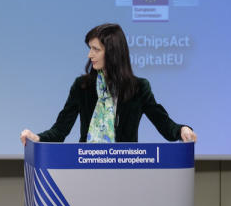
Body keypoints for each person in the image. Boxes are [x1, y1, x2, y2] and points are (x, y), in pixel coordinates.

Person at [20, 23, 196, 145]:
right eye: (90, 48)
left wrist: (181, 130)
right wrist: (37, 138)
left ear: (113, 53)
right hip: (85, 168)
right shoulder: (81, 86)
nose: (90, 55)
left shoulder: (138, 88)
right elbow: (60, 130)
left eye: (96, 49)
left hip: (124, 171)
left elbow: (162, 122)